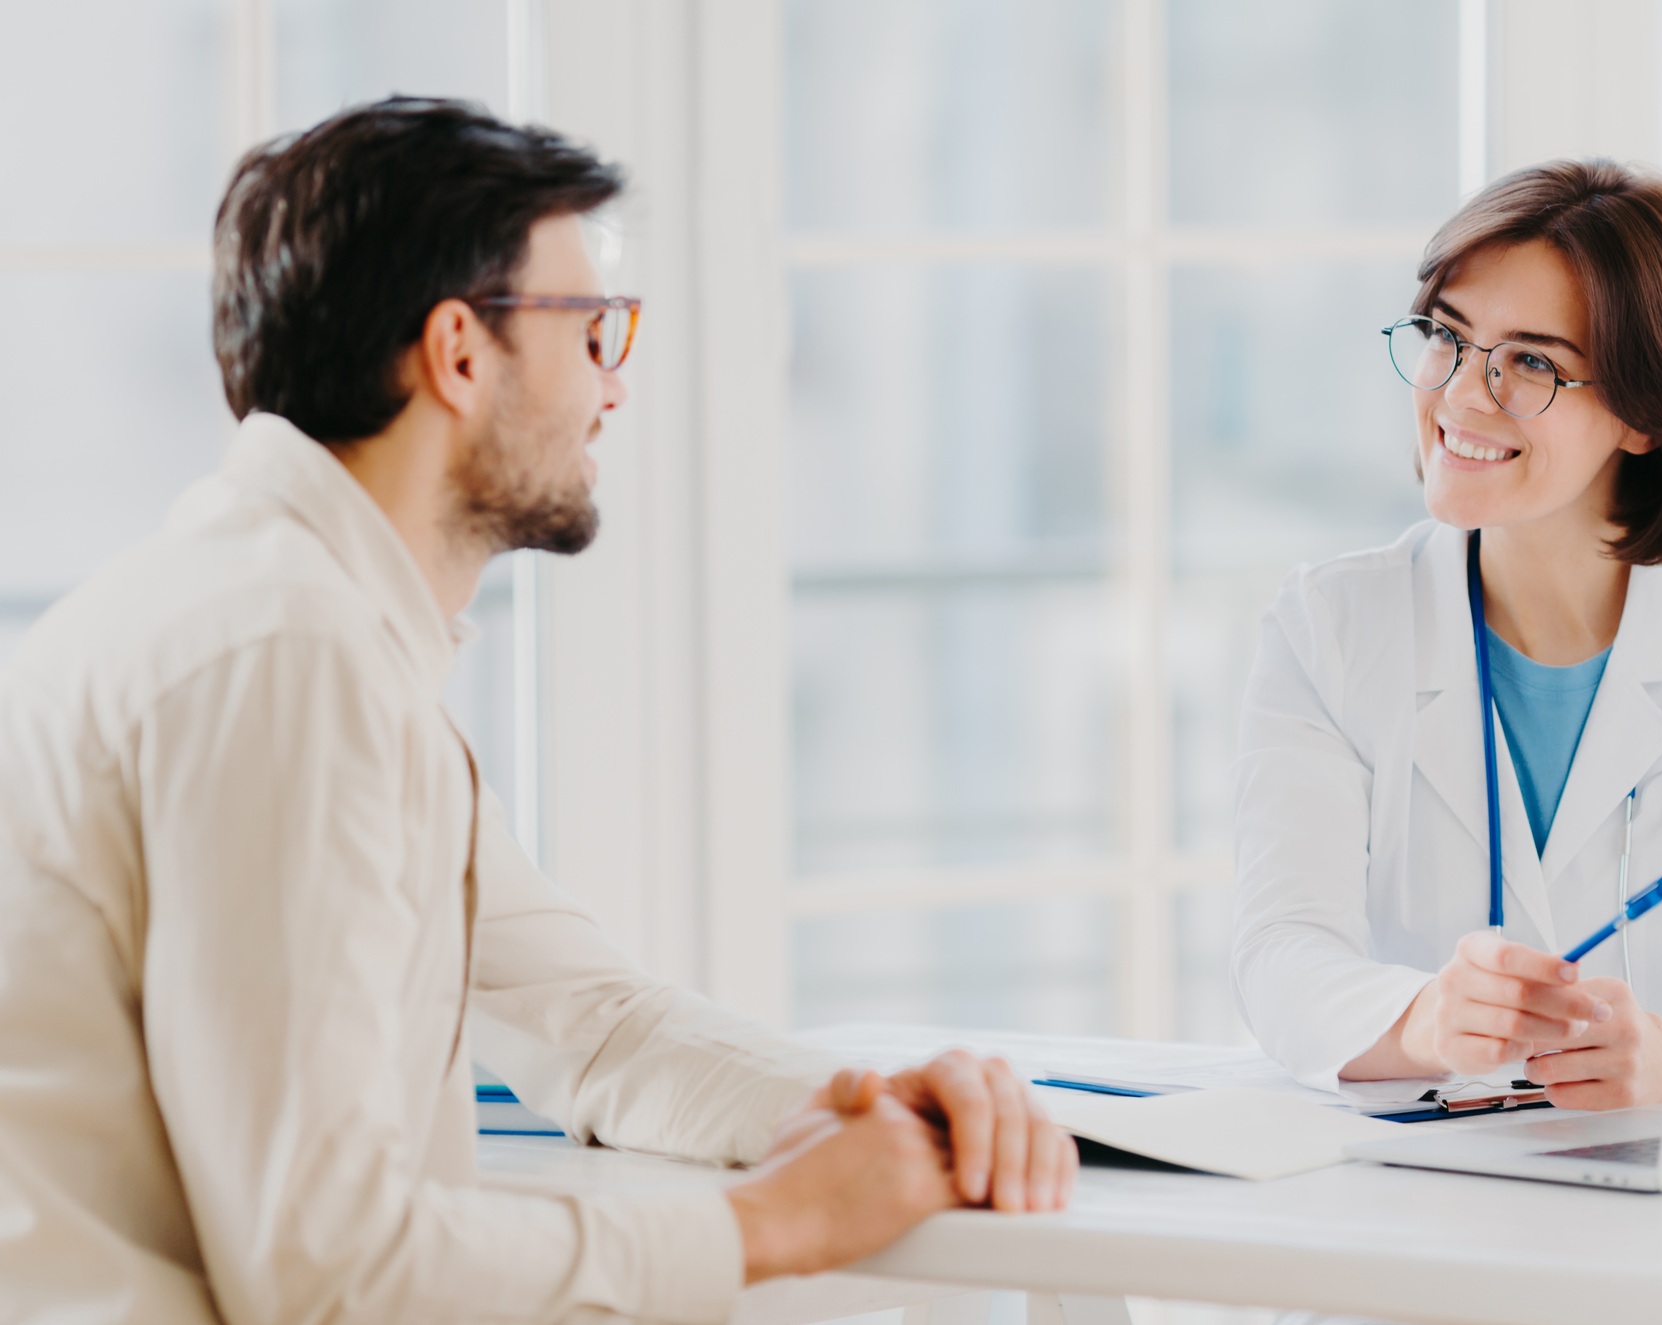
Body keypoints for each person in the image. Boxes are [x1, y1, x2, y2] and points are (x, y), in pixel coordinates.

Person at [0, 98, 1075, 1324]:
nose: (612, 387)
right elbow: (327, 1272)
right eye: (593, 331)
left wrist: (872, 1105)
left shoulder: (310, 623)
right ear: (459, 352)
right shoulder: (284, 656)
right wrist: (768, 1226)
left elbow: (596, 1027)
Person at [1230, 159, 1662, 1112]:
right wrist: (1425, 1018)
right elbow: (1281, 953)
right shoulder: (1331, 628)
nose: (1464, 396)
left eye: (1532, 362)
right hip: (1427, 1208)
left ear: (1644, 412)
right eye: (1448, 337)